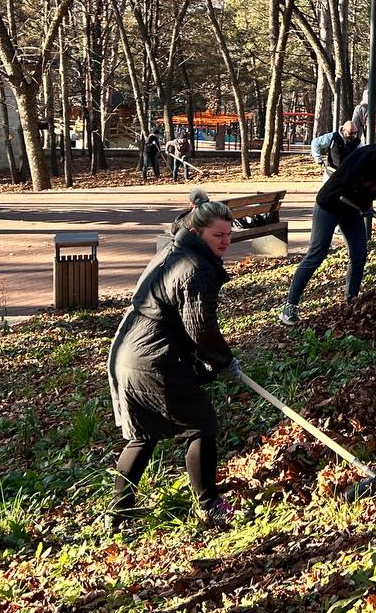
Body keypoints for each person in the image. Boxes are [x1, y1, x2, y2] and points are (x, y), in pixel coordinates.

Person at [107, 199, 238, 530]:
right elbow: (200, 326)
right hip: (153, 360)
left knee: (144, 434)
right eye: (217, 235)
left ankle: (119, 513)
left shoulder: (175, 251)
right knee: (203, 424)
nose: (225, 241)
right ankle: (210, 505)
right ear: (197, 232)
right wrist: (224, 360)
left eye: (229, 235)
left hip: (127, 354)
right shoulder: (194, 268)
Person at [278, 124, 376, 326]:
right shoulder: (368, 155)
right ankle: (290, 306)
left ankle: (350, 300)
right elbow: (347, 180)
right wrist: (363, 204)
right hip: (330, 204)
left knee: (359, 254)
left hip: (352, 210)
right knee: (317, 254)